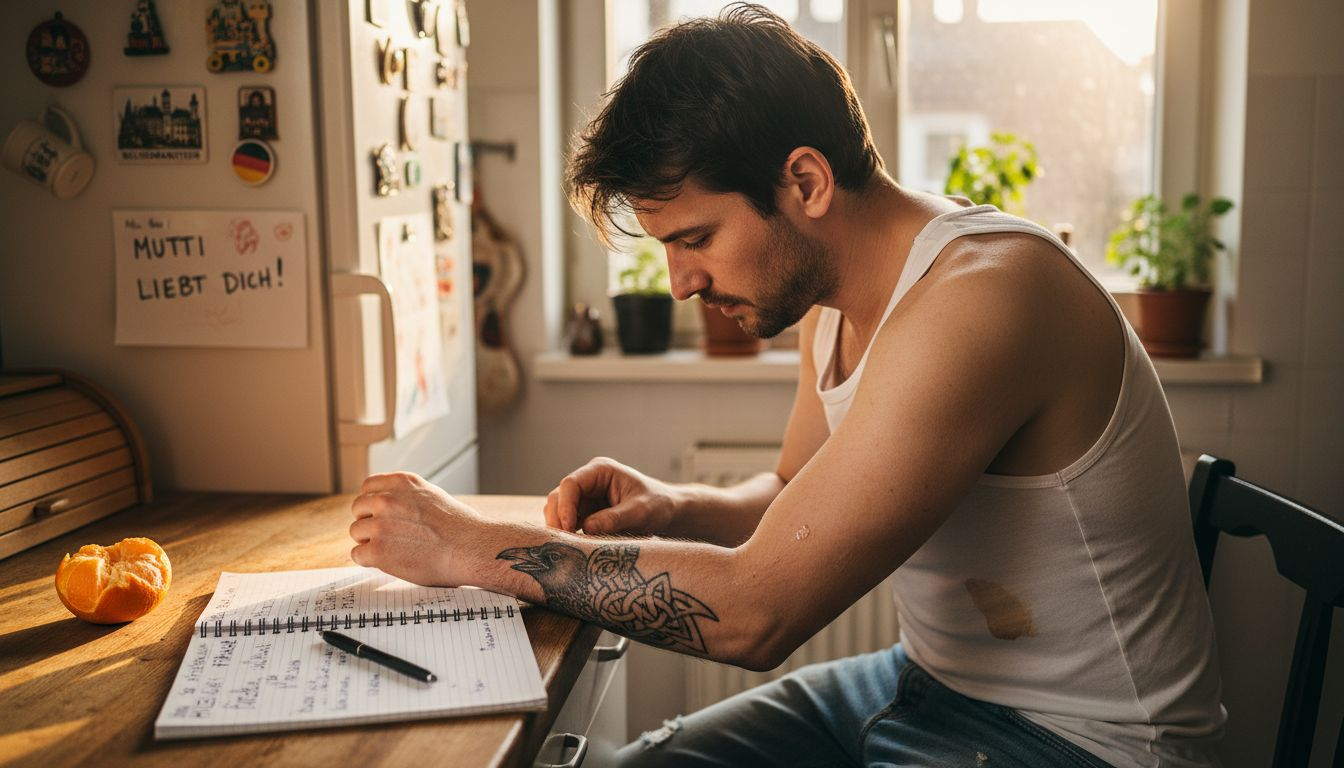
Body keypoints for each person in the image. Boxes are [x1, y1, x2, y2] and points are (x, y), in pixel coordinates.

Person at [348, 5, 1225, 766]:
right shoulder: (834, 298)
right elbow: (793, 494)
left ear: (804, 181)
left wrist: (469, 547)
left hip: (1080, 742)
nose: (682, 282)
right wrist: (675, 504)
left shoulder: (983, 299)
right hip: (919, 683)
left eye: (694, 237)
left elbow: (756, 615)